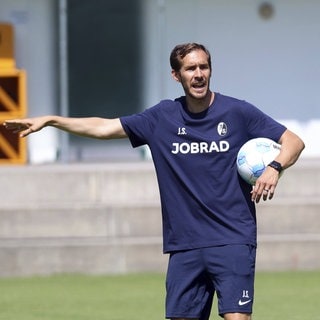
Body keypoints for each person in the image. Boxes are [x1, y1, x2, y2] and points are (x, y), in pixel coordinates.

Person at [3, 43, 305, 320]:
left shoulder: (238, 112)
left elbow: (293, 141)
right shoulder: (162, 118)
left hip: (233, 238)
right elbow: (104, 128)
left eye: (204, 67)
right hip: (185, 245)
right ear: (176, 75)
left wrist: (274, 167)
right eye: (190, 69)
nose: (199, 74)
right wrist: (53, 120)